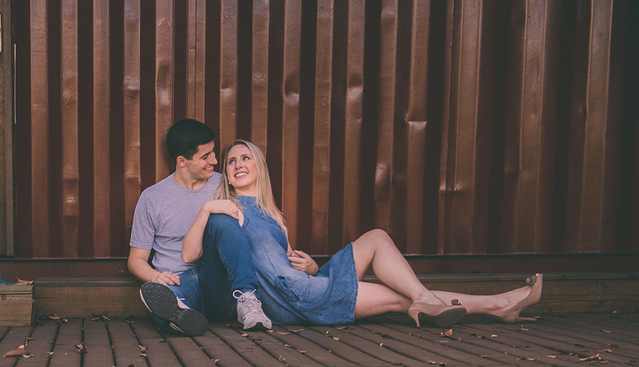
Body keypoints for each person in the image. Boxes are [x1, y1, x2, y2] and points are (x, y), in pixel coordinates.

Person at [181, 140, 543, 327]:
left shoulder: (274, 217)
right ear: (226, 175)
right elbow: (190, 255)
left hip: (303, 284)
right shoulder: (228, 211)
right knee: (396, 297)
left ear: (259, 167)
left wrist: (308, 265)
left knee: (377, 237)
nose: (237, 164)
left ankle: (433, 300)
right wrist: (206, 209)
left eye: (245, 158)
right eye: (231, 161)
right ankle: (498, 305)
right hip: (290, 299)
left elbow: (281, 261)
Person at [128, 120, 272, 335]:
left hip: (217, 279)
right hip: (178, 280)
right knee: (163, 307)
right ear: (182, 161)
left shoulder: (225, 185)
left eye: (213, 152)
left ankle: (247, 300)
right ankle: (182, 315)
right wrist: (155, 277)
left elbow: (261, 219)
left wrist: (288, 254)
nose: (214, 160)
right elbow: (136, 259)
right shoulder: (152, 198)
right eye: (205, 157)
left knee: (222, 219)